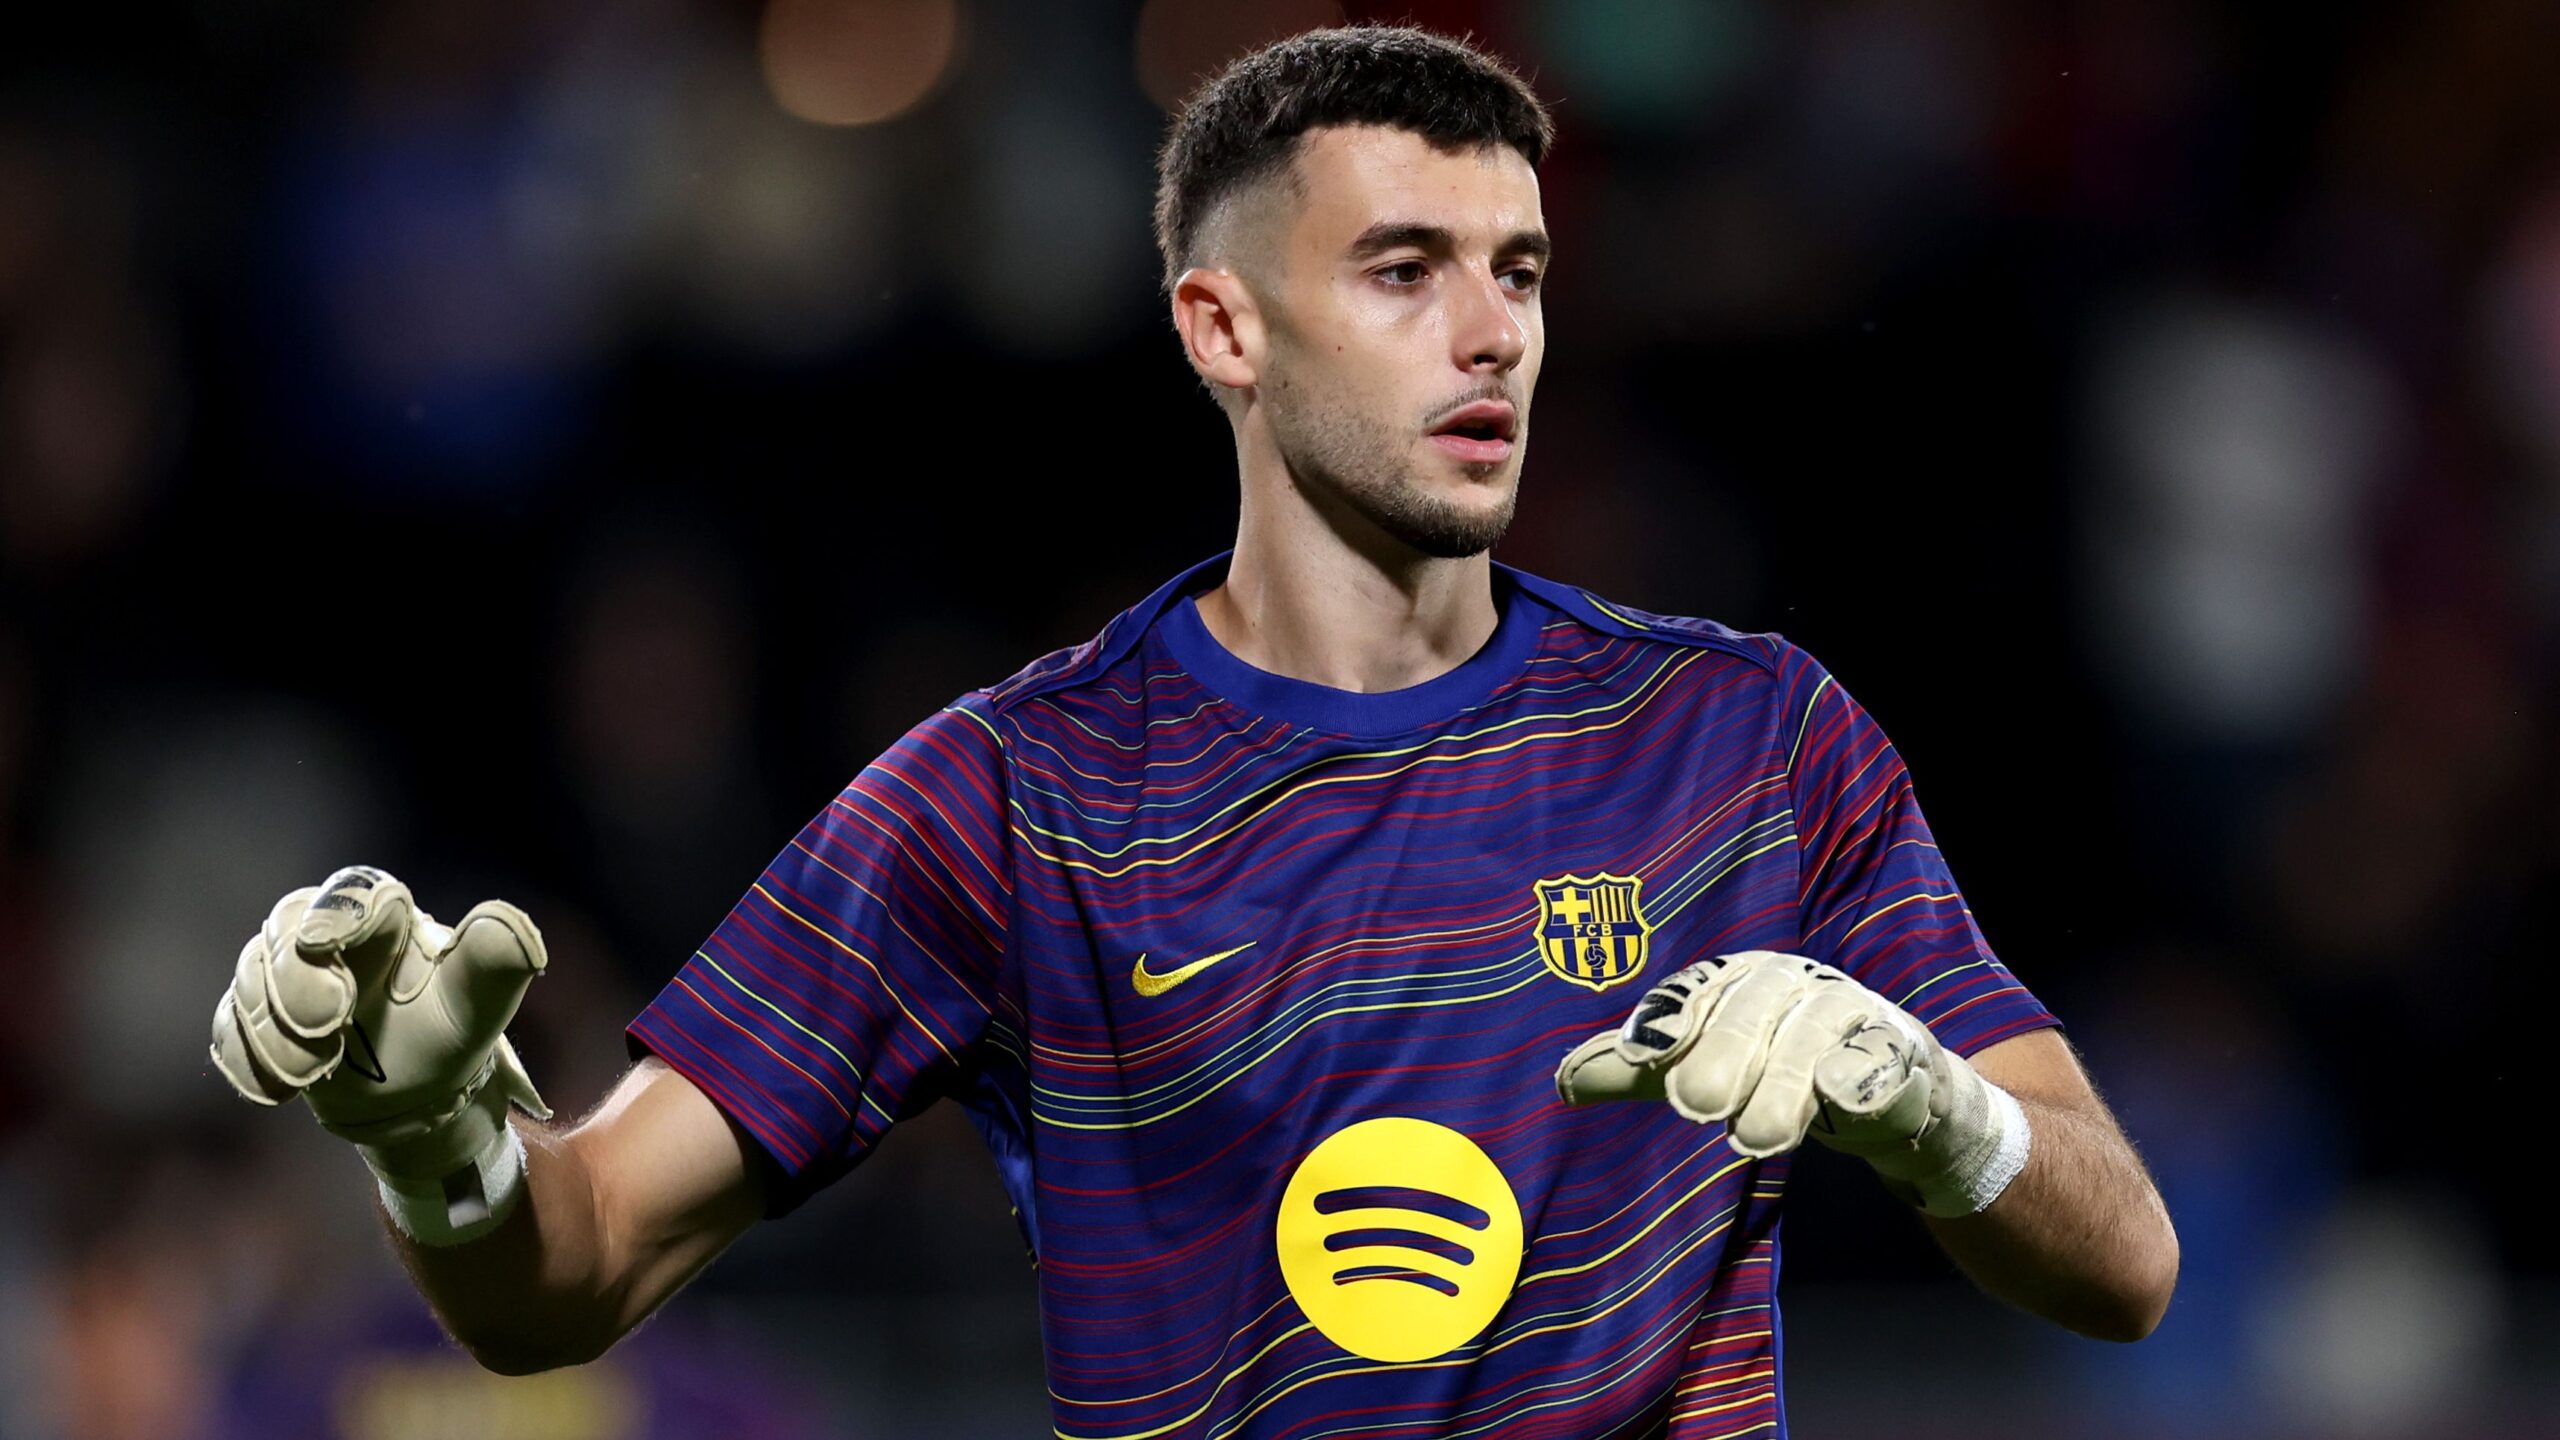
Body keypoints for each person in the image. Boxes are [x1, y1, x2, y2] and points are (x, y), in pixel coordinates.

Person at [209, 25, 2176, 1438]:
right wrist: (434, 1143)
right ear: (1222, 328)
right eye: (1402, 271)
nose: (1491, 331)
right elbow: (566, 1273)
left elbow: (2125, 1260)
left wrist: (1937, 1111)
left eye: (1517, 272)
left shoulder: (1746, 740)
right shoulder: (1016, 797)